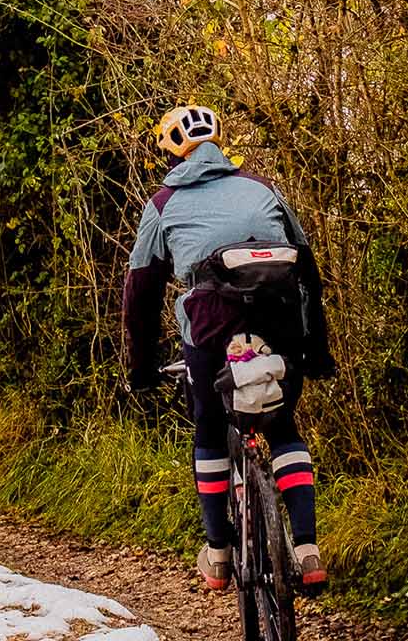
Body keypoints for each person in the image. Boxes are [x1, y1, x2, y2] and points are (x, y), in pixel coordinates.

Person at [122, 104, 334, 595]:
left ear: (171, 153)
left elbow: (141, 292)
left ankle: (218, 554)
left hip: (211, 328)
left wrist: (141, 367)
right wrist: (317, 350)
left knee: (211, 429)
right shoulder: (263, 189)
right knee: (282, 424)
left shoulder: (163, 202)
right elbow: (308, 270)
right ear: (221, 143)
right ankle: (306, 548)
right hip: (281, 320)